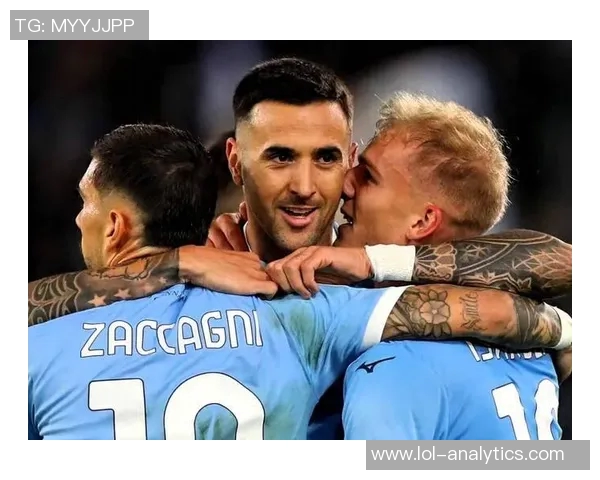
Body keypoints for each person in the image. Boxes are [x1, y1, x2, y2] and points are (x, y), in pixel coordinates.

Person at [27, 59, 572, 437]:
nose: (308, 187)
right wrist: (178, 262)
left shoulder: (360, 288)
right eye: (281, 157)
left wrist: (365, 262)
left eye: (329, 160)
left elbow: (562, 266)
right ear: (236, 163)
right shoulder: (208, 267)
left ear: (348, 160)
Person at [263, 92, 571, 439]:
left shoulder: (390, 369)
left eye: (369, 176)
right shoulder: (532, 350)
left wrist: (370, 260)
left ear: (423, 222)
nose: (346, 183)